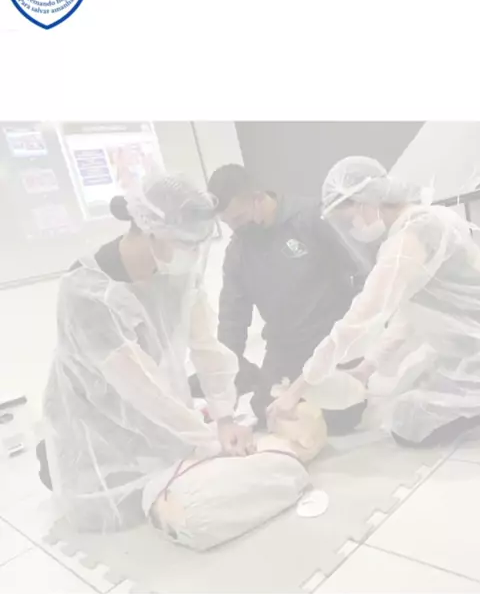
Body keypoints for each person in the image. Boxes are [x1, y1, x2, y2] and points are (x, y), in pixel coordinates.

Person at [40, 171, 254, 533]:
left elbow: (206, 347)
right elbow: (140, 388)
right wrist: (207, 439)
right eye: (185, 243)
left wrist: (224, 417)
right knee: (110, 504)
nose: (193, 254)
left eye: (198, 244)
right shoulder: (87, 291)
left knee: (172, 471)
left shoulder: (178, 275)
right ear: (151, 230)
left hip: (151, 405)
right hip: (94, 406)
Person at [268, 155, 480, 447]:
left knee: (410, 426)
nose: (353, 228)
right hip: (464, 345)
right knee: (405, 408)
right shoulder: (423, 223)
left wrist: (299, 388)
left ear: (365, 202)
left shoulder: (413, 237)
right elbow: (411, 315)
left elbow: (363, 317)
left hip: (471, 347)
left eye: (349, 219)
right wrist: (367, 367)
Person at [204, 163, 366, 432]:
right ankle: (264, 382)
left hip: (331, 340)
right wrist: (225, 377)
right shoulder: (238, 252)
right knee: (267, 412)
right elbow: (233, 317)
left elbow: (362, 271)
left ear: (257, 198)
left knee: (340, 417)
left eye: (239, 218)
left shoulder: (311, 219)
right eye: (228, 223)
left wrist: (359, 336)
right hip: (285, 347)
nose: (234, 228)